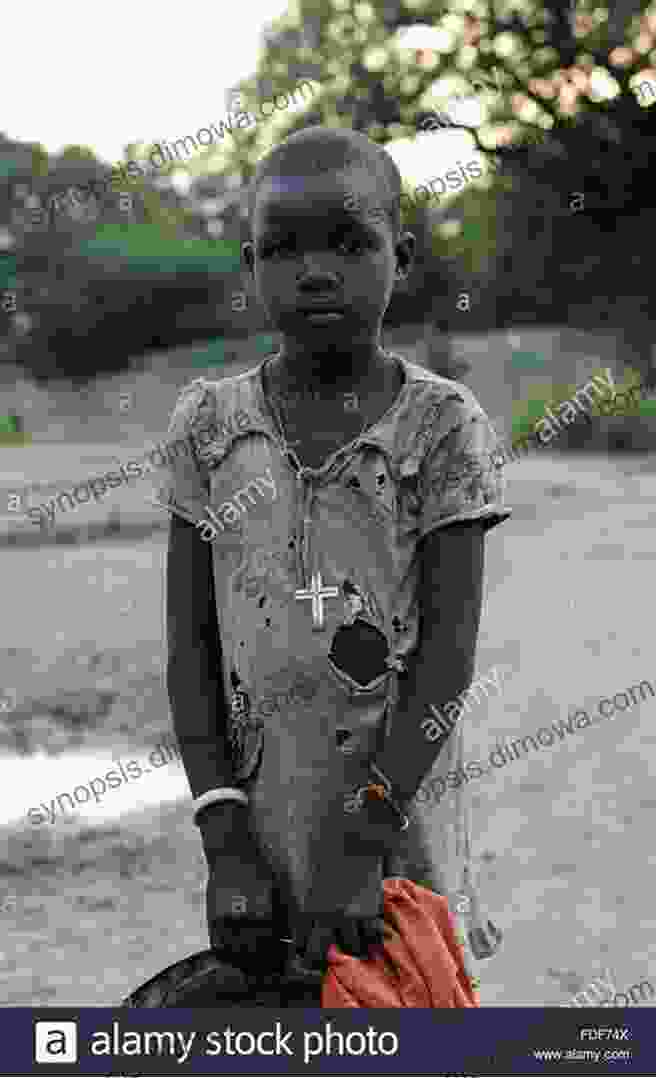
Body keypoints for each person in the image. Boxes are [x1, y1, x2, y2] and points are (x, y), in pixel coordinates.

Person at [153, 125, 511, 980]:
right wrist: (224, 833)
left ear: (403, 254)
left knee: (401, 1011)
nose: (316, 271)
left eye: (351, 243)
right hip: (262, 831)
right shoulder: (208, 428)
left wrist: (369, 837)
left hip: (397, 821)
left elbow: (446, 663)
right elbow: (190, 651)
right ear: (250, 264)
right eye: (283, 249)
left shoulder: (441, 427)